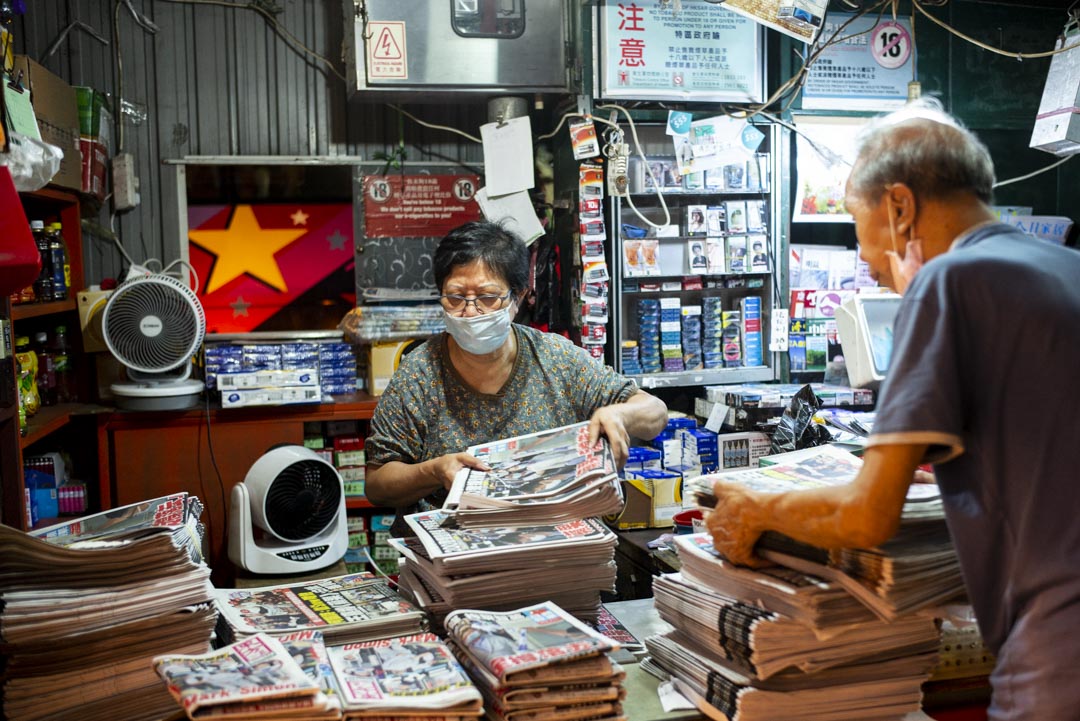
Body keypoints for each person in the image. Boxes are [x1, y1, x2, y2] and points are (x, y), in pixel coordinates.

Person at [705, 98, 1080, 721]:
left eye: (860, 228)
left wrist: (756, 510)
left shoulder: (949, 279)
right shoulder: (1067, 268)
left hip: (1059, 651)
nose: (868, 264)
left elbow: (868, 515)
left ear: (900, 208)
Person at [365, 221, 668, 536]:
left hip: (548, 550)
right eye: (455, 297)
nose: (470, 312)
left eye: (487, 297)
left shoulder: (556, 359)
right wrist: (432, 470)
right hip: (453, 560)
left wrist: (619, 413)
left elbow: (655, 412)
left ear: (518, 296)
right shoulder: (419, 374)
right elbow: (378, 484)